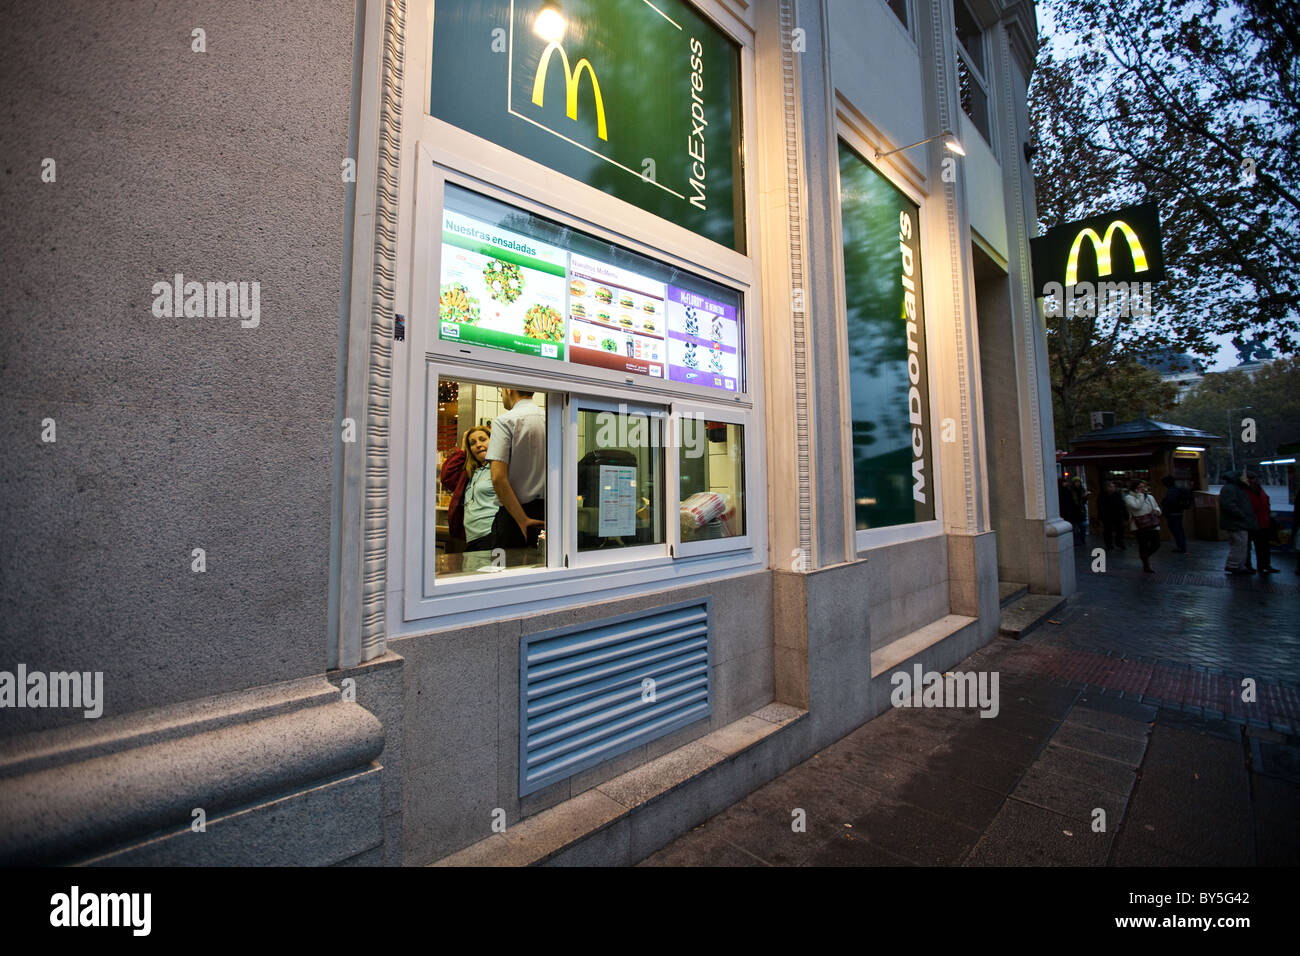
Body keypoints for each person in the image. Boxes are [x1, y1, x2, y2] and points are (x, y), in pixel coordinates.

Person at [487, 387, 546, 552]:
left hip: (514, 516)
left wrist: (522, 520)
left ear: (509, 389)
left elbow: (498, 477)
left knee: (504, 572)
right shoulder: (552, 420)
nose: (500, 393)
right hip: (546, 513)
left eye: (500, 389)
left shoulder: (505, 421)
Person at [440, 425, 499, 553]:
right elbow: (446, 477)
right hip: (471, 538)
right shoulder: (471, 473)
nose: (478, 444)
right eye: (472, 443)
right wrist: (462, 450)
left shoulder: (499, 469)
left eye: (482, 439)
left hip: (492, 536)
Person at [1218, 470, 1257, 575]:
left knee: (1240, 545)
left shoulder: (1233, 488)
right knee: (1239, 544)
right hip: (1236, 523)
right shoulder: (1231, 489)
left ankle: (1238, 565)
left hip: (1237, 522)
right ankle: (1234, 565)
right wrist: (1241, 515)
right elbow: (1229, 505)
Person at [1123, 478, 1162, 573]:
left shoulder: (1149, 497)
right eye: (1140, 487)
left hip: (1152, 523)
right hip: (1139, 526)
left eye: (1143, 486)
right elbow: (1136, 507)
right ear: (1135, 488)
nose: (1143, 489)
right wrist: (1140, 495)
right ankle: (1146, 565)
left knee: (1156, 544)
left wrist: (1158, 511)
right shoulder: (1129, 498)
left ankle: (1145, 556)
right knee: (1143, 545)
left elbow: (1156, 506)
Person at [1245, 472, 1277, 573]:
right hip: (1252, 522)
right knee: (1254, 546)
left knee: (1263, 546)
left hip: (1262, 521)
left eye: (1253, 478)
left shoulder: (1259, 489)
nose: (1251, 480)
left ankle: (1264, 565)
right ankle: (1255, 565)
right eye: (1249, 478)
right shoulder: (1245, 491)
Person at [1160, 475, 1193, 554]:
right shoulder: (1178, 489)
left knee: (1176, 531)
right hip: (1179, 512)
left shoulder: (1171, 491)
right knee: (1179, 530)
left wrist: (1164, 502)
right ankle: (1182, 546)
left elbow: (1171, 502)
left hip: (1172, 513)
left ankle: (1181, 547)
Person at [1100, 480, 1129, 550]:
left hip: (1117, 515)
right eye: (1110, 487)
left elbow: (1123, 505)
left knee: (1120, 531)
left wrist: (1126, 515)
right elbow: (1100, 507)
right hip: (1107, 516)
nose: (1112, 488)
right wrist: (1101, 517)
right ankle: (1109, 544)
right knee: (1107, 531)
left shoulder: (1118, 495)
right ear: (1107, 487)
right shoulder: (1102, 495)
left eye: (1113, 487)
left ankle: (1119, 543)